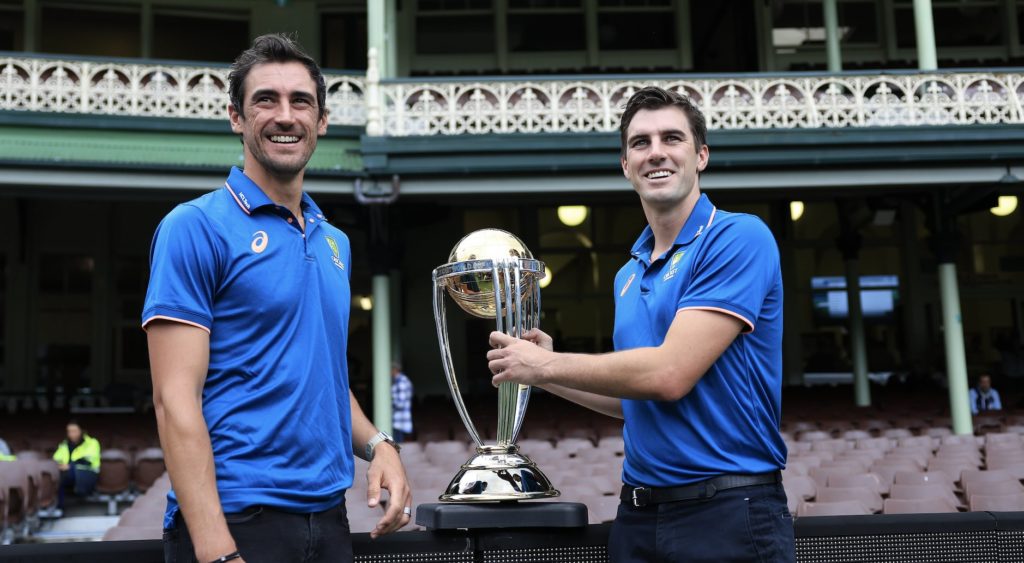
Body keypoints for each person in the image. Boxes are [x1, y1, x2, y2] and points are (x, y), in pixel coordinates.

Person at [487, 86, 794, 562]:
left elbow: (668, 376)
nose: (656, 153)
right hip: (638, 514)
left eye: (672, 138)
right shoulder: (627, 274)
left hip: (728, 512)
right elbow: (634, 401)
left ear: (701, 156)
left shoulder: (737, 236)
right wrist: (546, 369)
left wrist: (549, 367)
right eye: (640, 143)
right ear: (626, 165)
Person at [143, 34, 411, 563]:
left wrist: (379, 445)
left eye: (301, 101)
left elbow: (325, 377)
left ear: (323, 120)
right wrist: (218, 551)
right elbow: (174, 402)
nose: (285, 115)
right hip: (238, 521)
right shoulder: (194, 227)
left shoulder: (336, 241)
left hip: (329, 519)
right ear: (236, 118)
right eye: (265, 100)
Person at [53, 420, 101, 508]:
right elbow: (56, 459)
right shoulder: (64, 444)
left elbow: (88, 461)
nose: (72, 434)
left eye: (74, 431)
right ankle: (55, 505)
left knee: (65, 473)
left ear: (82, 431)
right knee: (55, 473)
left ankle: (59, 506)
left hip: (87, 474)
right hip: (67, 473)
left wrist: (70, 466)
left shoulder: (92, 443)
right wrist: (59, 465)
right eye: (69, 431)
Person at [391, 362, 414, 443]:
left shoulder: (401, 382)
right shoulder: (398, 381)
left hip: (400, 421)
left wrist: (389, 404)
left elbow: (401, 403)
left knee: (399, 446)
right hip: (398, 421)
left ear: (395, 370)